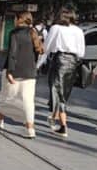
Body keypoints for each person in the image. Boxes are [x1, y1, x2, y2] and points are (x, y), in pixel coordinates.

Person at [0, 11, 43, 138]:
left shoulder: (15, 33)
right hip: (30, 72)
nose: (14, 21)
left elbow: (12, 54)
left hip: (15, 71)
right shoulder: (33, 33)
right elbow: (37, 53)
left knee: (6, 96)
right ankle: (30, 128)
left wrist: (10, 71)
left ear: (20, 19)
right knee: (28, 100)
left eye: (15, 18)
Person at [37, 7, 86, 138]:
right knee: (63, 92)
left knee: (57, 91)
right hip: (73, 62)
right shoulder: (78, 31)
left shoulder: (56, 28)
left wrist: (39, 63)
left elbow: (47, 48)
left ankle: (63, 125)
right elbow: (81, 52)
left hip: (59, 61)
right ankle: (54, 117)